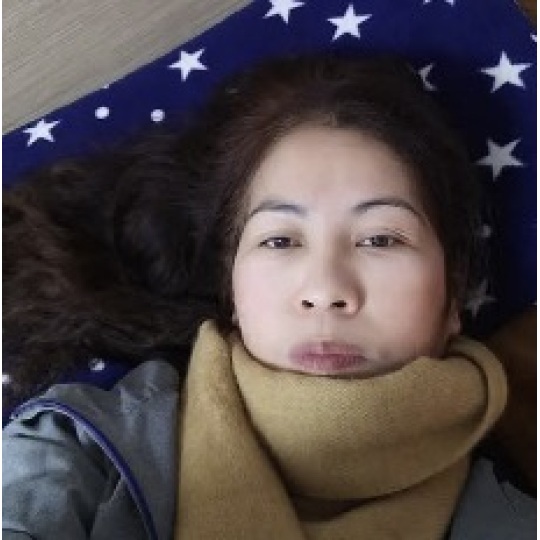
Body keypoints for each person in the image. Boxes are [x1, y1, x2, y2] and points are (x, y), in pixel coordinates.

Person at [2, 53, 535, 540]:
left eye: (379, 239)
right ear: (231, 287)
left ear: (454, 291)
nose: (325, 291)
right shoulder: (75, 456)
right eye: (279, 240)